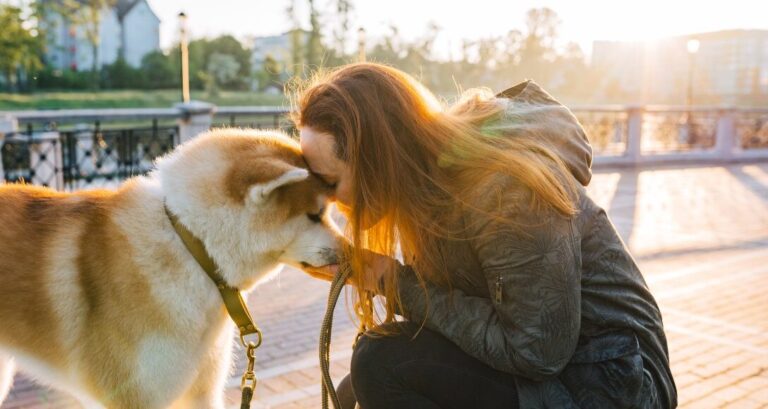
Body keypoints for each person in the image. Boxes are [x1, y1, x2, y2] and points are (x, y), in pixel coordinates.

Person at [294, 62, 676, 409]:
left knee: (381, 363)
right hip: (567, 368)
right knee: (367, 374)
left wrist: (392, 281)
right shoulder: (427, 188)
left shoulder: (505, 189)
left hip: (617, 381)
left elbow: (538, 352)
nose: (328, 199)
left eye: (329, 181)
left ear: (379, 160)